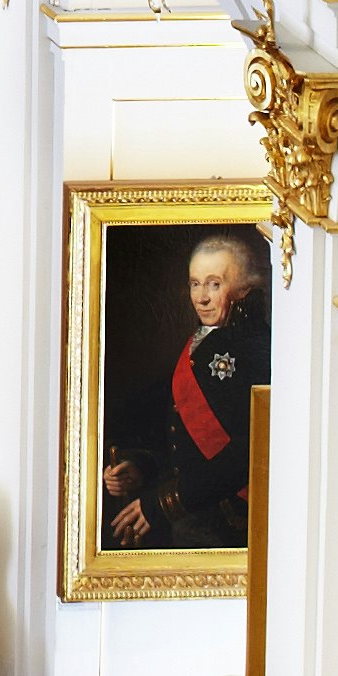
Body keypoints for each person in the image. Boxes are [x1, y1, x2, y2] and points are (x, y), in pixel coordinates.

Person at [102, 223, 270, 553]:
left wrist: (163, 502)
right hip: (196, 517)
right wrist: (142, 468)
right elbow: (182, 436)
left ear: (242, 289)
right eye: (195, 284)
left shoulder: (253, 348)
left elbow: (246, 452)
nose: (201, 297)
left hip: (228, 521)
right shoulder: (203, 341)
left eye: (214, 284)